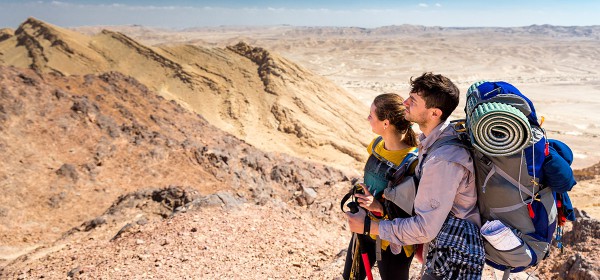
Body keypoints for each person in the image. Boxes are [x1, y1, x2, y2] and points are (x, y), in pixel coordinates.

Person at [346, 73, 484, 280]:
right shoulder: (432, 143)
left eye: (414, 101)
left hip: (453, 255)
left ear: (434, 113)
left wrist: (369, 226)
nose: (405, 103)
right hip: (442, 248)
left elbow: (424, 228)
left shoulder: (442, 160)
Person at [342, 93, 419, 280]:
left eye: (372, 114)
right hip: (365, 225)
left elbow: (414, 210)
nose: (368, 118)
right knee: (351, 277)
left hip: (395, 241)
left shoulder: (413, 161)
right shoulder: (376, 145)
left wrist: (378, 206)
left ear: (386, 123)